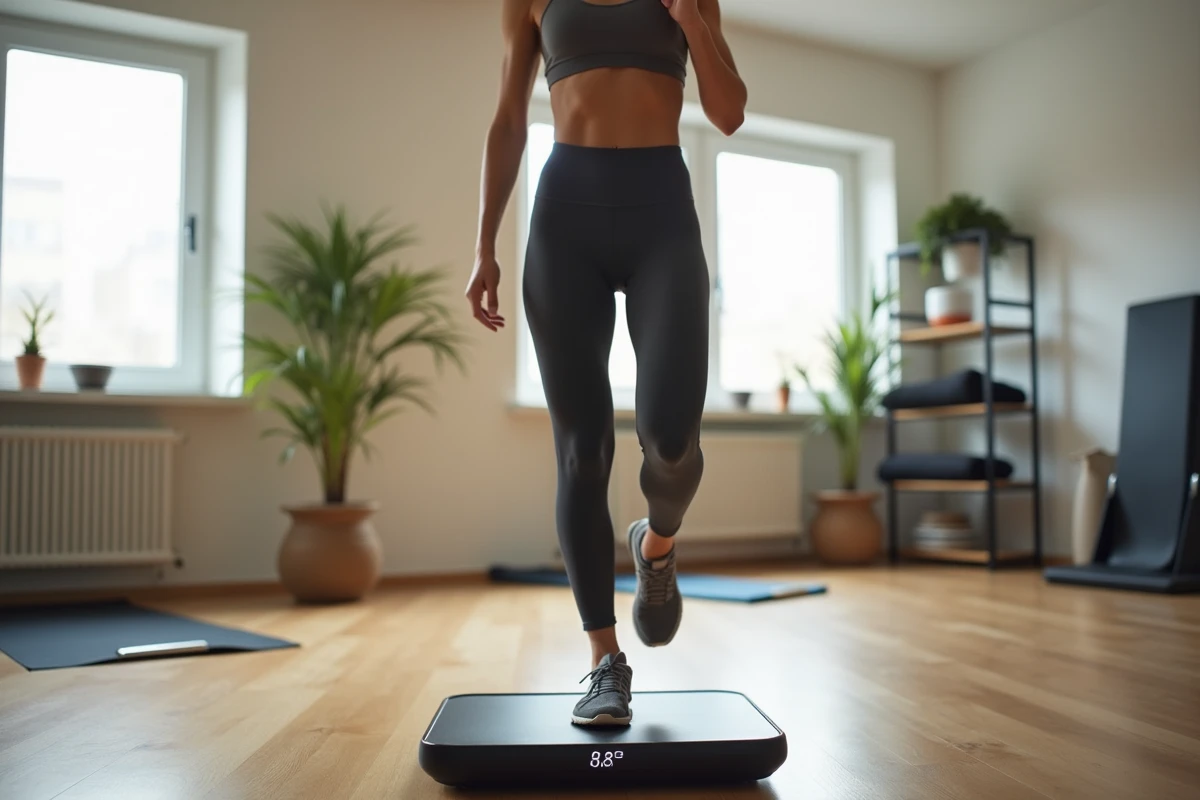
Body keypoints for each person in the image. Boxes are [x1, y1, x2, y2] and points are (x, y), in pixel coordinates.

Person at [466, 0, 746, 726]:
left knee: (674, 442)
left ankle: (656, 547)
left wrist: (690, 20)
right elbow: (506, 119)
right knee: (582, 454)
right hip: (566, 221)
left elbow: (729, 113)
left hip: (662, 216)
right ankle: (603, 662)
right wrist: (484, 245)